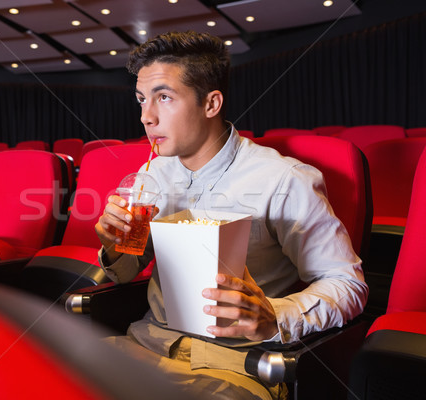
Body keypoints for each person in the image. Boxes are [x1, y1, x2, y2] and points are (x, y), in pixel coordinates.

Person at [95, 31, 368, 399]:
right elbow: (129, 269)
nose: (146, 117)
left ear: (211, 103)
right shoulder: (152, 175)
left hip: (236, 364)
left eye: (164, 97)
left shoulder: (283, 179)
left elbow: (348, 284)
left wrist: (274, 316)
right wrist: (114, 246)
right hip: (146, 343)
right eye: (142, 99)